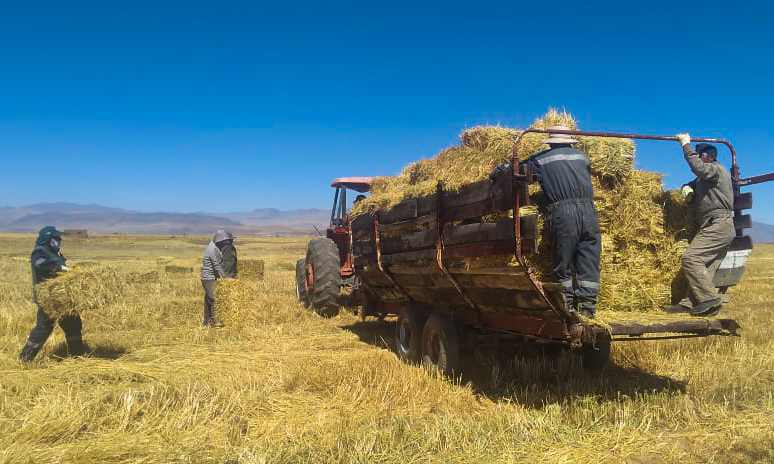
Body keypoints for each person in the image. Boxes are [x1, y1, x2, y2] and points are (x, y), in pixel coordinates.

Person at [527, 125, 601, 318]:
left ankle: (567, 308)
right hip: (589, 211)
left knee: (564, 261)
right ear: (570, 140)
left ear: (550, 142)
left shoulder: (541, 159)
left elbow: (517, 171)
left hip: (563, 212)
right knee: (589, 259)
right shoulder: (582, 157)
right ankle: (587, 309)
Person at [663, 134, 734, 316]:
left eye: (701, 154)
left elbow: (699, 169)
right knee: (706, 267)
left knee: (691, 259)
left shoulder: (715, 170)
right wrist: (686, 187)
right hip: (718, 226)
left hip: (718, 224)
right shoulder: (706, 178)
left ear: (709, 156)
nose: (700, 157)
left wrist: (686, 146)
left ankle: (710, 299)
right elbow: (693, 181)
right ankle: (690, 303)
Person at [19, 226, 87, 362]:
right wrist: (61, 268)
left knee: (73, 324)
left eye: (58, 239)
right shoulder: (39, 252)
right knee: (44, 328)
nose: (58, 241)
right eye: (55, 239)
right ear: (48, 239)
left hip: (62, 297)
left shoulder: (56, 253)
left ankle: (77, 356)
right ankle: (25, 359)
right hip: (48, 299)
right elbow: (41, 265)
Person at [200, 229, 234, 327]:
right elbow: (217, 266)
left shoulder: (213, 246)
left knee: (208, 301)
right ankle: (215, 321)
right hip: (209, 278)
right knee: (214, 299)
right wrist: (226, 278)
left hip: (209, 277)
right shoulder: (212, 250)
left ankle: (207, 322)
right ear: (220, 241)